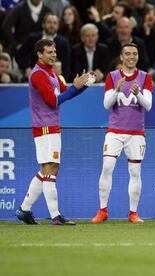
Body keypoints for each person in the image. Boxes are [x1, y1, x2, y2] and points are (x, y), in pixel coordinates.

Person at [15, 39, 93, 225]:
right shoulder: (38, 75)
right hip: (44, 127)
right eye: (49, 52)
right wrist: (75, 87)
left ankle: (24, 210)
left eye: (54, 51)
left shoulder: (51, 73)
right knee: (51, 169)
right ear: (39, 54)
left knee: (46, 169)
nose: (53, 55)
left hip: (51, 126)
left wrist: (84, 85)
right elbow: (53, 101)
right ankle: (55, 216)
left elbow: (66, 93)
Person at [91, 43, 153, 224]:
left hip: (136, 133)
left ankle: (133, 213)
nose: (131, 57)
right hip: (115, 131)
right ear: (121, 56)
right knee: (107, 167)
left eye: (134, 53)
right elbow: (106, 104)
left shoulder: (145, 77)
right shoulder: (112, 77)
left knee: (135, 172)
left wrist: (138, 93)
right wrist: (117, 90)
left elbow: (148, 105)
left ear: (138, 56)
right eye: (128, 54)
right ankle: (102, 211)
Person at [15, 13, 71, 81]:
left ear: (58, 26)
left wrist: (60, 80)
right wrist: (26, 68)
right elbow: (19, 55)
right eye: (49, 22)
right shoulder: (32, 38)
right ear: (43, 24)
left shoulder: (64, 43)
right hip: (33, 77)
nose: (52, 25)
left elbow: (66, 66)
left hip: (54, 79)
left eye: (55, 23)